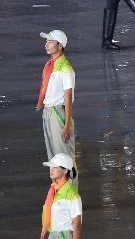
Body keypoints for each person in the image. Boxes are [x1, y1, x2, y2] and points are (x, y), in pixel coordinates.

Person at [37, 30, 77, 183]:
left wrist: (66, 125)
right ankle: (59, 193)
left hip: (58, 113)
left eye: (50, 41)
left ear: (60, 45)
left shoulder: (65, 68)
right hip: (48, 112)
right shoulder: (51, 65)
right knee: (54, 158)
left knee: (64, 157)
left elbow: (68, 98)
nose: (46, 44)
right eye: (46, 41)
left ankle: (70, 195)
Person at [40, 153, 82, 239]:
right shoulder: (53, 190)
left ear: (65, 170)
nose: (51, 169)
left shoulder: (71, 194)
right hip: (53, 235)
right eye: (51, 167)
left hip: (63, 236)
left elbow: (76, 222)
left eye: (55, 167)